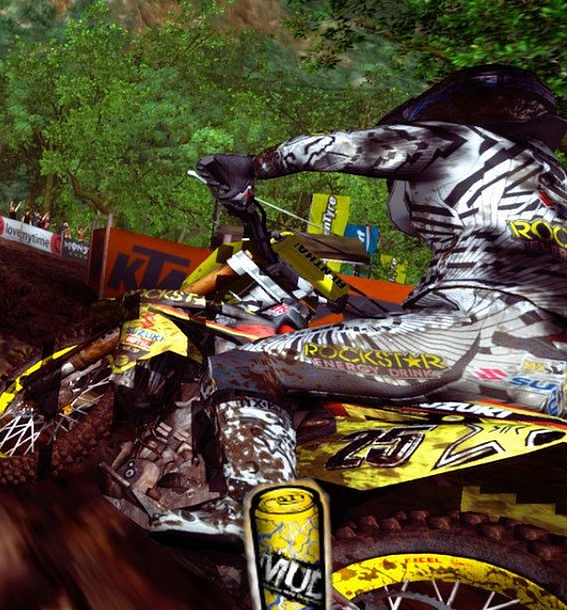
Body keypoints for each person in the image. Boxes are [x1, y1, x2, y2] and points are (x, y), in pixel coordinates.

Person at [169, 65, 567, 536]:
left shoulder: (463, 141)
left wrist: (251, 167)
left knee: (246, 366)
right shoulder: (556, 185)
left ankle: (254, 514)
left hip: (470, 339)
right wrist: (345, 300)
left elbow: (343, 148)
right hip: (549, 376)